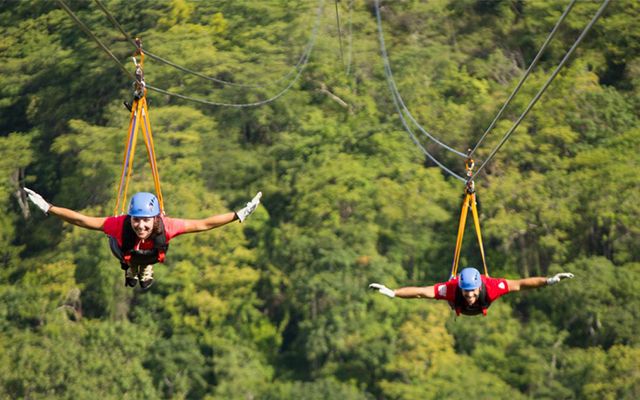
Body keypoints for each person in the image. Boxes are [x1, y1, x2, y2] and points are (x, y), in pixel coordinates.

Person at [23, 188, 262, 289]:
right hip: (123, 250)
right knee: (129, 249)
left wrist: (238, 215)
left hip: (150, 255)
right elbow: (82, 220)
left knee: (150, 250)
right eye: (136, 220)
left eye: (146, 220)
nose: (141, 225)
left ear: (155, 218)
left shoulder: (165, 226)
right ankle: (132, 267)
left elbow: (204, 224)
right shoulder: (120, 225)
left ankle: (143, 268)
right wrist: (48, 207)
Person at [369, 267, 574, 316]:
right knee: (435, 293)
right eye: (466, 293)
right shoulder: (451, 289)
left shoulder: (492, 288)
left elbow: (521, 284)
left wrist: (549, 280)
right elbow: (422, 292)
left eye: (473, 293)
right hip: (456, 305)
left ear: (478, 288)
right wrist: (393, 293)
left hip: (481, 306)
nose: (470, 297)